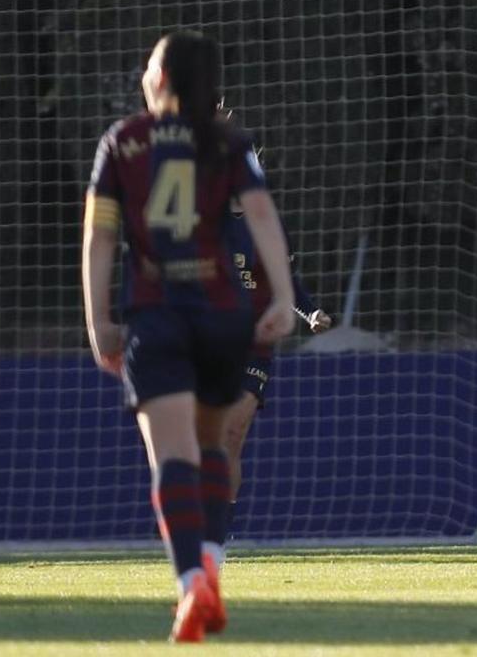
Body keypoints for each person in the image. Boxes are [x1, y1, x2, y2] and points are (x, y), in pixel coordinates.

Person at [81, 31, 296, 641]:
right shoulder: (228, 142)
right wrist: (282, 296)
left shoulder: (123, 141)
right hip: (226, 318)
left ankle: (190, 586)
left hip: (159, 315)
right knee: (211, 450)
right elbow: (262, 216)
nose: (144, 74)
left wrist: (99, 322)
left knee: (171, 456)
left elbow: (99, 238)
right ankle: (212, 567)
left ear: (164, 79)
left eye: (149, 64)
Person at [222, 197, 332, 540]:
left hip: (255, 346)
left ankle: (219, 533)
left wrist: (310, 312)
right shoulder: (199, 221)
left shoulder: (267, 224)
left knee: (232, 435)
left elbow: (288, 283)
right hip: (207, 343)